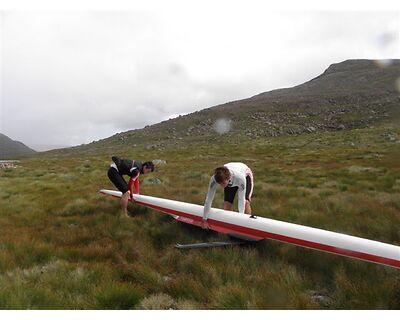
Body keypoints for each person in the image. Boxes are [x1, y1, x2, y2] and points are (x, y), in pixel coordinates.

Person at [202, 162, 254, 228]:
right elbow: (209, 199)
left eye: (223, 183)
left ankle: (248, 226)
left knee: (245, 202)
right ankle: (230, 227)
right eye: (219, 183)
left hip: (246, 175)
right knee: (227, 204)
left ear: (228, 178)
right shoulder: (214, 179)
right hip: (230, 179)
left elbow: (241, 199)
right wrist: (204, 219)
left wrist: (241, 220)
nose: (221, 186)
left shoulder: (240, 178)